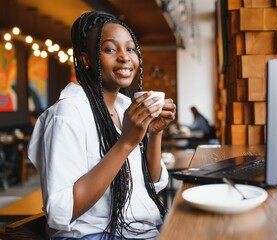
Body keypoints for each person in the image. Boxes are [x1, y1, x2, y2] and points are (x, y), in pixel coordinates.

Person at [28, 11, 176, 239]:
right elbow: (61, 211)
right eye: (110, 49)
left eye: (130, 49)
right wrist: (126, 142)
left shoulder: (126, 106)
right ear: (86, 60)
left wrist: (154, 133)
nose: (125, 57)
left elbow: (151, 183)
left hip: (140, 229)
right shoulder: (67, 113)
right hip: (94, 234)